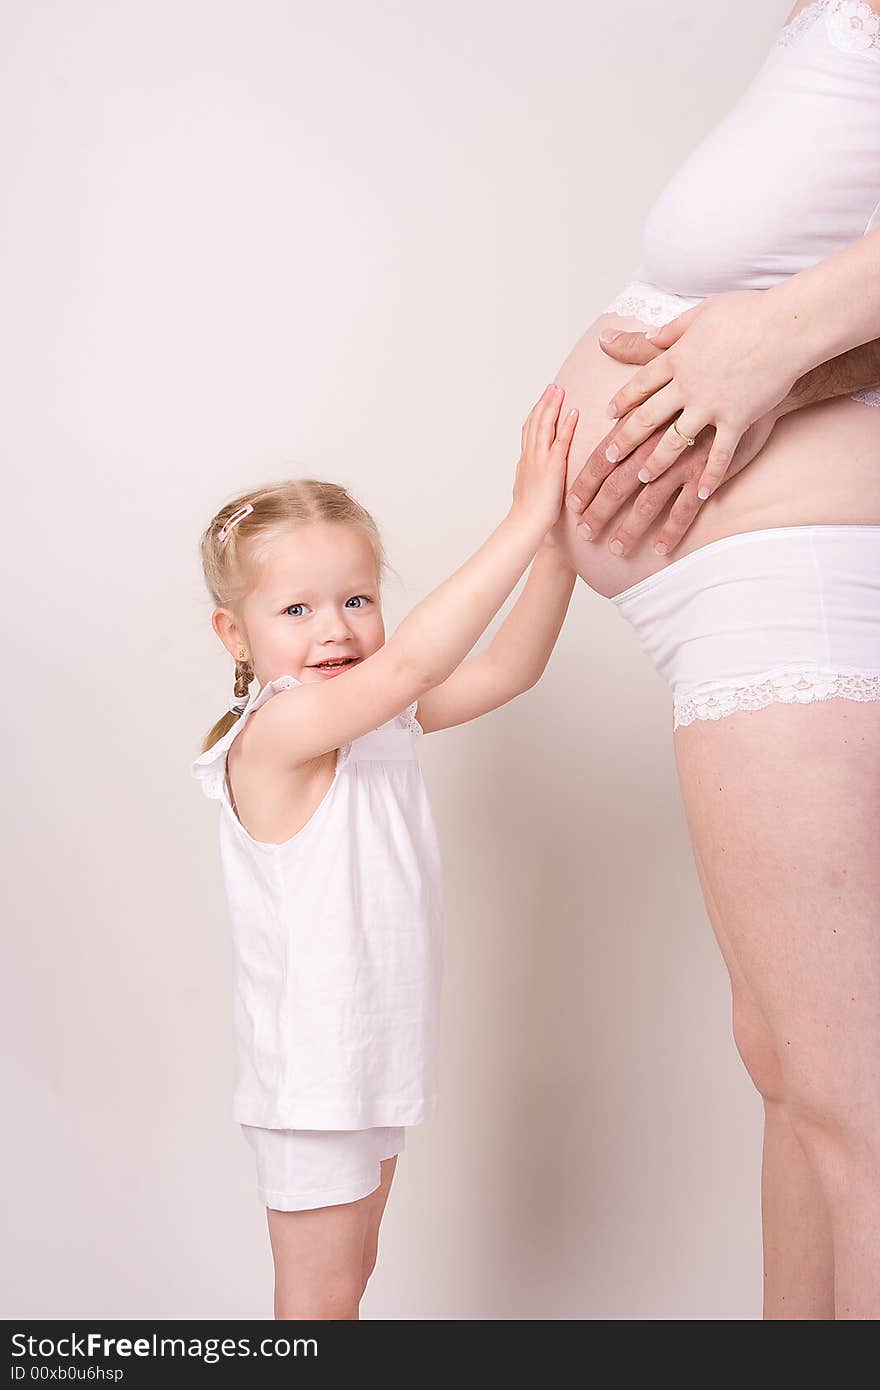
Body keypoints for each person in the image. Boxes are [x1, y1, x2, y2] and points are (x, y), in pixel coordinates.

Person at [546, 0, 880, 1317]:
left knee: (854, 1102)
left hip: (793, 587)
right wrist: (778, 367)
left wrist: (774, 336)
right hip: (748, 584)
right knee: (799, 1077)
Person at [191, 387, 578, 1319]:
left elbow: (509, 668)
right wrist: (525, 516)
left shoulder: (379, 722)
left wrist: (561, 550)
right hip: (313, 1076)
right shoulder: (278, 733)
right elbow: (412, 663)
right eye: (297, 609)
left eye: (357, 598)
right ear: (234, 635)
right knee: (318, 1301)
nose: (335, 628)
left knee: (349, 1284)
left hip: (371, 1056)